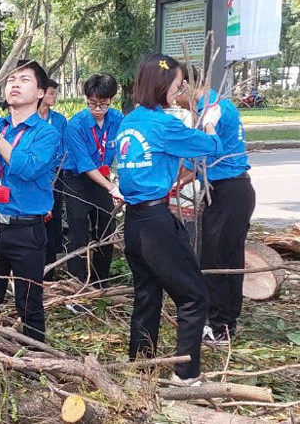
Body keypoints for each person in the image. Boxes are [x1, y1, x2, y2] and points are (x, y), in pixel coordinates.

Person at [116, 54, 223, 385]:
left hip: (133, 223)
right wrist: (209, 121)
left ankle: (141, 369)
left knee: (147, 295)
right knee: (194, 296)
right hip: (156, 223)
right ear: (163, 86)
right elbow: (212, 146)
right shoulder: (164, 125)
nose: (180, 90)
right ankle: (186, 374)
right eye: (177, 85)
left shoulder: (129, 122)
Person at [0, 60, 61, 342]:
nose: (15, 84)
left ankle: (36, 361)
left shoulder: (47, 133)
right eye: (10, 80)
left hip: (26, 230)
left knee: (29, 302)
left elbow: (28, 168)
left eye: (24, 80)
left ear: (41, 92)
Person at [176, 68, 255, 346]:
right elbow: (198, 165)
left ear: (186, 84)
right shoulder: (209, 106)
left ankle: (220, 327)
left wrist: (172, 183)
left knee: (217, 260)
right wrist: (179, 185)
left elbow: (194, 158)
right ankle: (225, 323)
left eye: (174, 88)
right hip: (230, 191)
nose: (172, 97)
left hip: (229, 191)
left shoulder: (212, 109)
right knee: (226, 258)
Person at [59, 73, 124, 288]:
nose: (97, 109)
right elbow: (85, 164)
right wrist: (112, 187)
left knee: (106, 226)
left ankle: (100, 280)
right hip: (77, 180)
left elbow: (124, 150)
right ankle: (77, 283)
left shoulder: (117, 119)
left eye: (102, 104)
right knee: (78, 231)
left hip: (102, 178)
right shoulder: (75, 125)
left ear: (111, 100)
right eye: (92, 104)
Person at [39, 79, 67, 279]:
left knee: (53, 218)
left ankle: (50, 268)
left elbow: (64, 148)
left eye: (56, 93)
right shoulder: (30, 118)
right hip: (35, 175)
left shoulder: (59, 120)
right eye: (51, 92)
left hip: (55, 176)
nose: (54, 96)